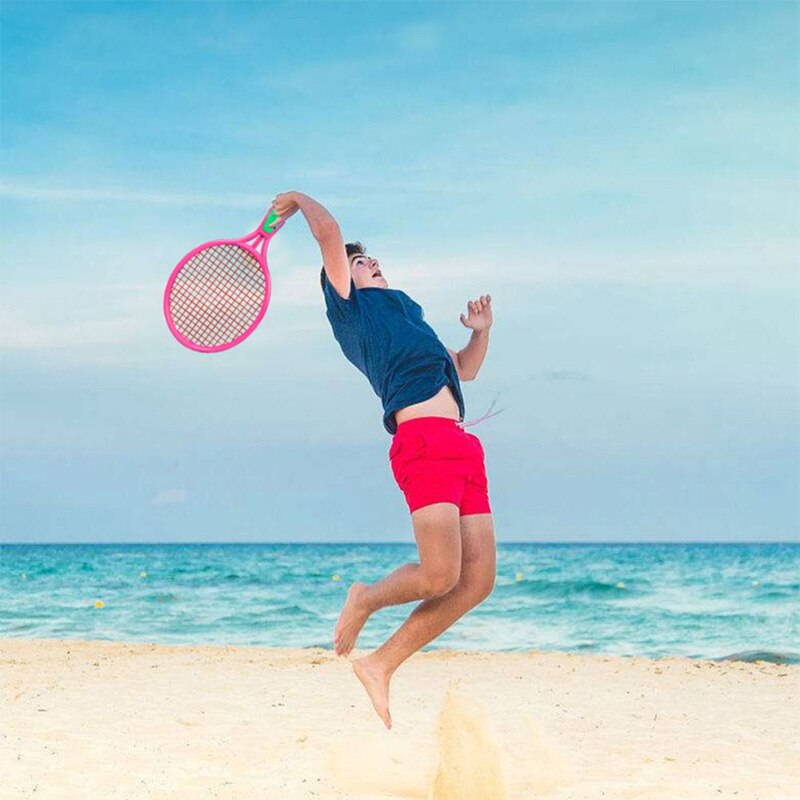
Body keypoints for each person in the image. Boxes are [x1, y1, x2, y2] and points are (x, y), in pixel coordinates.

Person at [271, 191, 496, 729]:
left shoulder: (410, 317)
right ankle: (364, 599)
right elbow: (329, 235)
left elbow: (464, 369)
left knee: (477, 581)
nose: (369, 261)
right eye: (357, 261)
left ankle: (380, 664)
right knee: (439, 573)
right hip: (423, 443)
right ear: (340, 279)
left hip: (463, 444)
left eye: (370, 258)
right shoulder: (354, 311)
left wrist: (480, 333)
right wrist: (300, 201)